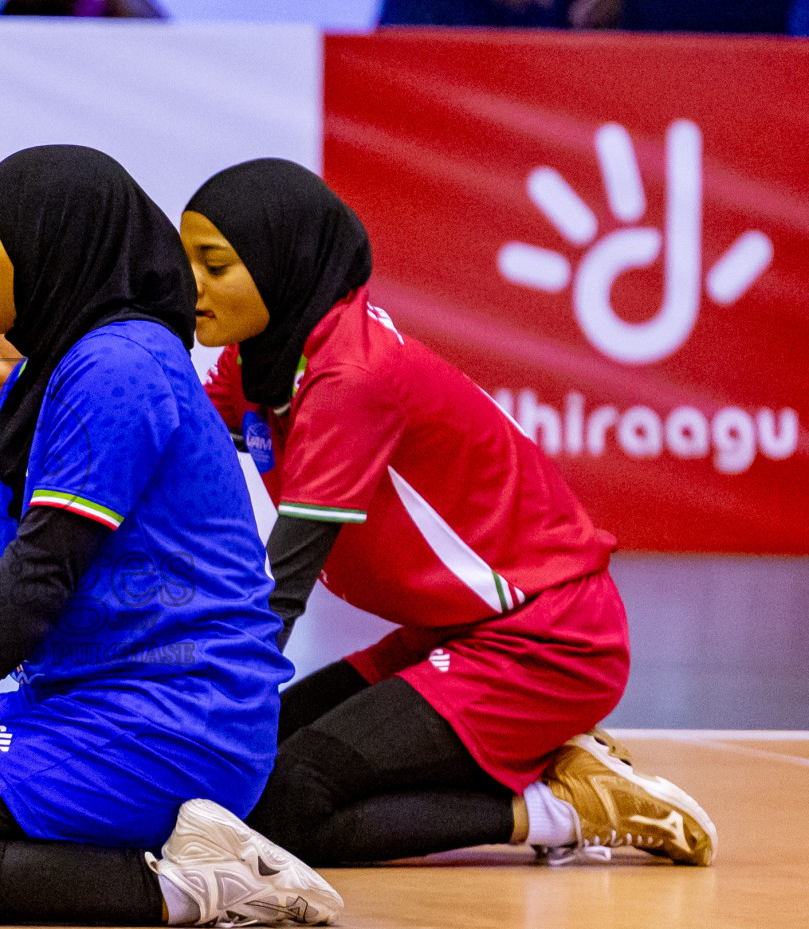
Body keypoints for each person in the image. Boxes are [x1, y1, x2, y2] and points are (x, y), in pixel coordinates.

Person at [0, 145, 341, 928]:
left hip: (180, 714)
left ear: (52, 243)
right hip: (85, 700)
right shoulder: (43, 376)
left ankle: (202, 884)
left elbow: (36, 576)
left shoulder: (121, 364)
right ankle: (168, 863)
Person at [181, 158, 716, 867]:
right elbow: (166, 432)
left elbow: (281, 589)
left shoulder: (350, 380)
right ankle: (547, 756)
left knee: (283, 801)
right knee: (245, 773)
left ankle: (564, 811)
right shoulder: (269, 357)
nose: (190, 286)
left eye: (212, 265)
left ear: (285, 264)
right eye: (183, 259)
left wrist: (191, 713)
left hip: (546, 643)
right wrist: (17, 370)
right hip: (453, 633)